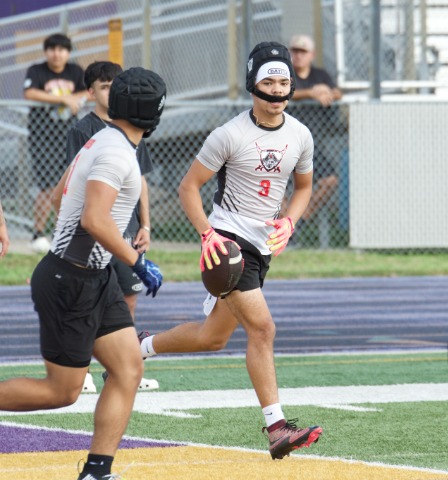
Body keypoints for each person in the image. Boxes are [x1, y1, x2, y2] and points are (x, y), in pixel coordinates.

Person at [137, 41, 323, 460]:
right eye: (269, 83)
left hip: (262, 245)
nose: (277, 91)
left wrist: (290, 221)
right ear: (253, 85)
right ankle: (277, 429)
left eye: (283, 83)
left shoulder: (300, 134)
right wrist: (207, 235)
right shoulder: (229, 134)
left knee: (212, 338)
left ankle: (139, 347)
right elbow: (189, 187)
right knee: (263, 329)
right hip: (228, 242)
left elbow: (304, 187)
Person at [0, 67, 166, 480]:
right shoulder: (116, 152)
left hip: (93, 275)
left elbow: (61, 197)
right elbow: (93, 218)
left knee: (128, 369)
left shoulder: (104, 138)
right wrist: (136, 260)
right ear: (155, 113)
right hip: (71, 279)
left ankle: (96, 472)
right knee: (62, 391)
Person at [61, 60, 159, 393]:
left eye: (115, 85)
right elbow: (77, 180)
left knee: (127, 299)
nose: (111, 91)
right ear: (90, 92)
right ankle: (81, 370)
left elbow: (140, 179)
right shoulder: (83, 130)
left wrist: (146, 224)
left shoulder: (134, 126)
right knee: (87, 303)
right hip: (96, 231)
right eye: (104, 86)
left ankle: (121, 368)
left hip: (126, 230)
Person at [23, 33, 88, 253]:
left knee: (71, 183)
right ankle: (38, 233)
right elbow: (30, 93)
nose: (56, 54)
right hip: (42, 137)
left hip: (69, 136)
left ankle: (64, 231)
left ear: (68, 52)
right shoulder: (37, 70)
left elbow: (90, 91)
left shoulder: (75, 71)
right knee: (47, 184)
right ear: (46, 51)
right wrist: (63, 98)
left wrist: (75, 98)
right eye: (52, 49)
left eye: (61, 49)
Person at [286, 34, 343, 227]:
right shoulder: (285, 73)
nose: (298, 55)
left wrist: (326, 92)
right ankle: (284, 227)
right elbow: (285, 93)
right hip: (286, 143)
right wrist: (311, 93)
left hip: (311, 145)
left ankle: (302, 217)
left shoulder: (320, 75)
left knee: (330, 180)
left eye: (303, 52)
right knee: (277, 188)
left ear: (312, 55)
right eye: (295, 51)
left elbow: (337, 92)